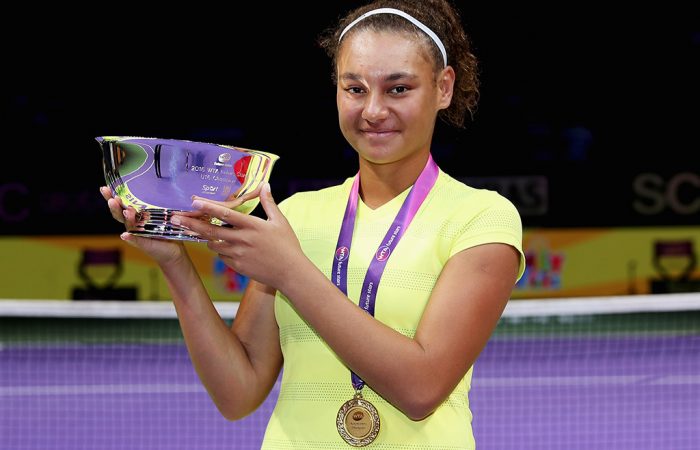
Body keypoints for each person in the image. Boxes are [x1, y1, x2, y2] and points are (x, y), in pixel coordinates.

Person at [101, 0, 525, 448]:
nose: (373, 110)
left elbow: (420, 388)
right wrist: (175, 262)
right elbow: (237, 393)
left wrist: (290, 270)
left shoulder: (481, 218)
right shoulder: (298, 215)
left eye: (398, 89)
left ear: (443, 88)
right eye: (355, 88)